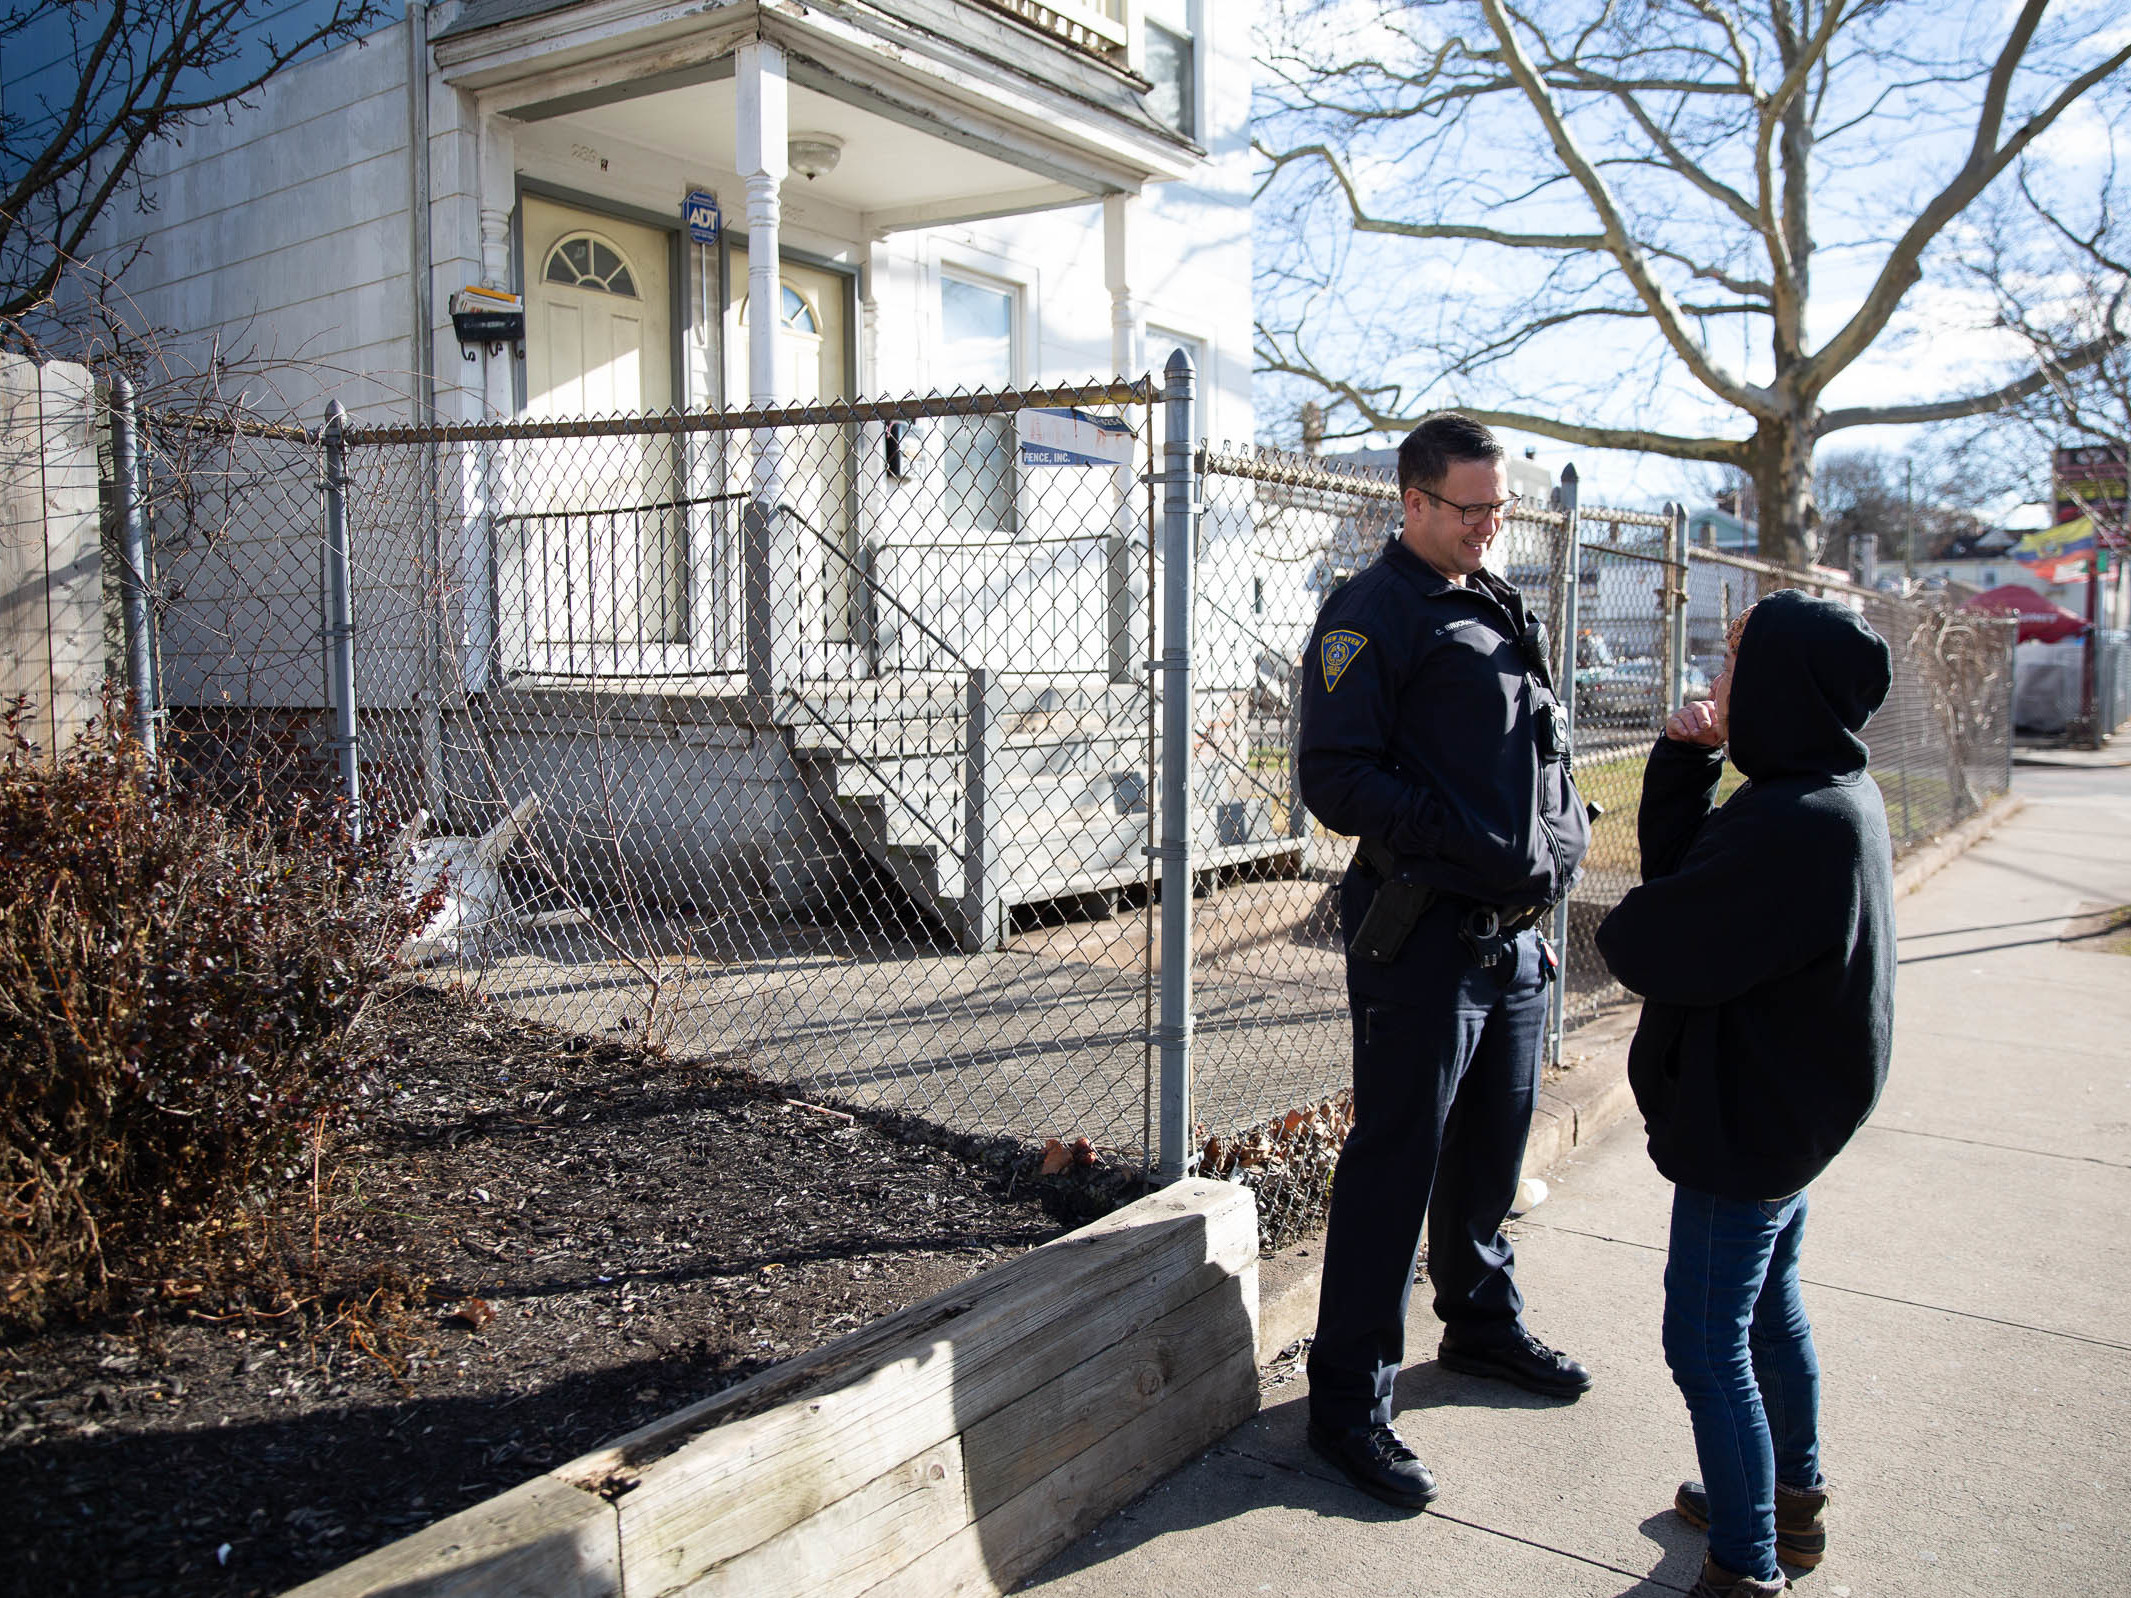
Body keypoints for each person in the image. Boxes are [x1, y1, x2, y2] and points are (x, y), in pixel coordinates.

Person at [1296, 412, 1593, 1511]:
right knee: (1395, 1167)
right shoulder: (1371, 611)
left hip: (1511, 938)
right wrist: (1458, 836)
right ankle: (1346, 1407)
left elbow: (1536, 741)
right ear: (1411, 503)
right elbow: (1334, 775)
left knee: (1486, 1158)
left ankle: (1478, 1323)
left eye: (1497, 509)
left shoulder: (1489, 594)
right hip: (1423, 935)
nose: (1486, 526)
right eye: (1468, 510)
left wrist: (1553, 846)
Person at [1594, 591, 1896, 1598]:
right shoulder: (1825, 790)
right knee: (1770, 1311)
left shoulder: (1792, 823)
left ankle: (1746, 1562)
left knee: (1704, 1339)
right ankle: (1786, 1503)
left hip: (1749, 1122)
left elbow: (1651, 938)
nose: (1715, 680)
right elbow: (1695, 881)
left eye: (1731, 662)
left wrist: (1634, 923)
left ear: (1776, 683)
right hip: (1787, 1113)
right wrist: (1684, 763)